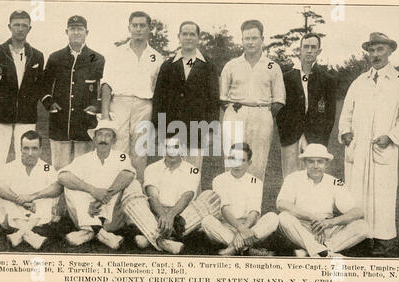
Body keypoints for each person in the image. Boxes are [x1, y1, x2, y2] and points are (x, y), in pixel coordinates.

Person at [338, 33, 399, 256]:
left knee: (382, 194)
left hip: (383, 148)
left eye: (380, 50)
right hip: (358, 149)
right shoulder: (360, 81)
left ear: (390, 51)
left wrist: (391, 136)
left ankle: (381, 240)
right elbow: (346, 114)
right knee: (356, 193)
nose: (375, 55)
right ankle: (358, 236)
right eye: (372, 50)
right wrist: (346, 132)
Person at [0, 10, 44, 227]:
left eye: (24, 25)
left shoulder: (37, 55)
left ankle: (23, 211)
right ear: (9, 27)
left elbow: (37, 87)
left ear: (29, 28)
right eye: (16, 25)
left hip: (26, 116)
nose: (20, 29)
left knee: (25, 162)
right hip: (0, 117)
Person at [152, 21, 219, 189]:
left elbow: (213, 101)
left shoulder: (208, 66)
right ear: (179, 37)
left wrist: (211, 130)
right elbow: (159, 99)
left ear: (198, 38)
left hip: (197, 129)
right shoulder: (168, 65)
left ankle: (189, 212)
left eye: (192, 34)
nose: (188, 37)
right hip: (170, 129)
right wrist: (157, 128)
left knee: (192, 172)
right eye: (185, 34)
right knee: (169, 172)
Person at [101, 11, 164, 183]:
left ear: (149, 29)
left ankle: (136, 193)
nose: (138, 29)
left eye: (142, 25)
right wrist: (105, 115)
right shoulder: (116, 53)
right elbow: (106, 85)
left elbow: (159, 91)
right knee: (118, 150)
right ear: (129, 27)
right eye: (134, 25)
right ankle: (113, 193)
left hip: (144, 106)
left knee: (140, 151)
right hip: (119, 103)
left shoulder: (157, 57)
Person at [57, 120, 142, 249]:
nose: (103, 139)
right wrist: (93, 190)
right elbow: (62, 176)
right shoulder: (83, 159)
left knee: (131, 184)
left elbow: (128, 174)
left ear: (113, 140)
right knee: (71, 187)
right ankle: (102, 234)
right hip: (87, 211)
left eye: (108, 135)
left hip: (111, 216)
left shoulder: (121, 156)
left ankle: (89, 232)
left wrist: (102, 199)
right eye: (100, 135)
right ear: (94, 139)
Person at [220, 20, 285, 183]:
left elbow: (278, 100)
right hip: (235, 114)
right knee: (233, 159)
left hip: (262, 115)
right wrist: (237, 111)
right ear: (241, 40)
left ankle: (253, 205)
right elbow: (222, 98)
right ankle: (231, 203)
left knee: (257, 162)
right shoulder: (231, 65)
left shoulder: (272, 66)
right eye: (246, 38)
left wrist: (261, 112)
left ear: (262, 39)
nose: (250, 42)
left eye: (254, 38)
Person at [277, 144, 368, 257]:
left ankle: (318, 250)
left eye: (320, 161)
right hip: (302, 226)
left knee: (362, 226)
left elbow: (358, 211)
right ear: (304, 162)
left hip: (327, 227)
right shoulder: (293, 178)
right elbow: (281, 203)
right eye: (311, 161)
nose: (316, 166)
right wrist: (311, 217)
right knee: (283, 217)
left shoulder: (335, 182)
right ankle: (325, 252)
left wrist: (329, 223)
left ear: (326, 163)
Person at [41, 15, 105, 171]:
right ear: (66, 31)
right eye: (73, 29)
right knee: (59, 170)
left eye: (80, 29)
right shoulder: (55, 57)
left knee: (83, 170)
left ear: (87, 32)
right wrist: (49, 103)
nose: (76, 32)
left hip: (85, 124)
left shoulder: (97, 58)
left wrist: (96, 106)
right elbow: (44, 85)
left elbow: (103, 87)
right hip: (60, 122)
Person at [201, 143, 279, 256]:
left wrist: (243, 230)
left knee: (273, 217)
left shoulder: (256, 182)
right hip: (227, 225)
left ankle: (234, 247)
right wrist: (241, 229)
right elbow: (224, 209)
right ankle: (247, 248)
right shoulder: (219, 180)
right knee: (207, 221)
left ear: (249, 163)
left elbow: (254, 212)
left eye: (242, 160)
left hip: (250, 227)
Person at [277, 33, 336, 178]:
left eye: (313, 47)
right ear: (300, 49)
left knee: (314, 178)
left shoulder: (327, 79)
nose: (309, 50)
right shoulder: (286, 78)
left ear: (319, 51)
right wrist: (287, 133)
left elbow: (330, 115)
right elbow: (280, 111)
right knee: (290, 178)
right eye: (306, 47)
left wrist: (321, 138)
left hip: (316, 137)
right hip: (291, 137)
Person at [0, 131, 62, 249]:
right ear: (20, 149)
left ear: (40, 150)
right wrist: (19, 200)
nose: (30, 153)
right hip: (15, 215)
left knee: (46, 197)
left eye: (34, 149)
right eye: (26, 148)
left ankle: (19, 234)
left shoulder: (45, 167)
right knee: (6, 196)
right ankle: (31, 235)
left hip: (36, 215)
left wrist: (32, 197)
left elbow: (58, 187)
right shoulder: (11, 166)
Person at [136, 135, 202, 254]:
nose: (171, 151)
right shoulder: (151, 168)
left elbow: (186, 197)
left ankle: (151, 236)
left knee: (204, 201)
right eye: (167, 146)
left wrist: (170, 216)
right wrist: (163, 215)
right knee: (134, 196)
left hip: (180, 216)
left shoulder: (193, 170)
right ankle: (164, 241)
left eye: (176, 146)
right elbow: (152, 196)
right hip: (156, 214)